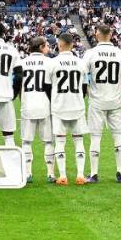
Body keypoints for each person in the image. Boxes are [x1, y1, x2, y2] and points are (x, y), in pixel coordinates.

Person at [81, 24, 121, 183]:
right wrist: (120, 91)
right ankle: (120, 173)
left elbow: (82, 76)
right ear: (111, 34)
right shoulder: (120, 53)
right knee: (118, 137)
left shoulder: (90, 53)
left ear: (96, 34)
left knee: (95, 137)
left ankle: (94, 174)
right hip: (115, 100)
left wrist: (88, 92)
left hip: (97, 101)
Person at [47, 33, 88, 185]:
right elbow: (84, 87)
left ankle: (63, 176)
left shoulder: (52, 63)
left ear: (59, 44)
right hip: (77, 105)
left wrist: (54, 99)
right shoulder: (80, 63)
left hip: (59, 106)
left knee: (60, 141)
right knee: (78, 140)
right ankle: (80, 175)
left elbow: (47, 86)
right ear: (72, 45)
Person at [19, 36, 53, 183]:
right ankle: (50, 174)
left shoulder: (21, 63)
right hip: (45, 105)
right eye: (46, 46)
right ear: (40, 47)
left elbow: (18, 87)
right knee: (49, 142)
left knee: (27, 142)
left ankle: (27, 173)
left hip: (28, 105)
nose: (48, 48)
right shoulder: (50, 63)